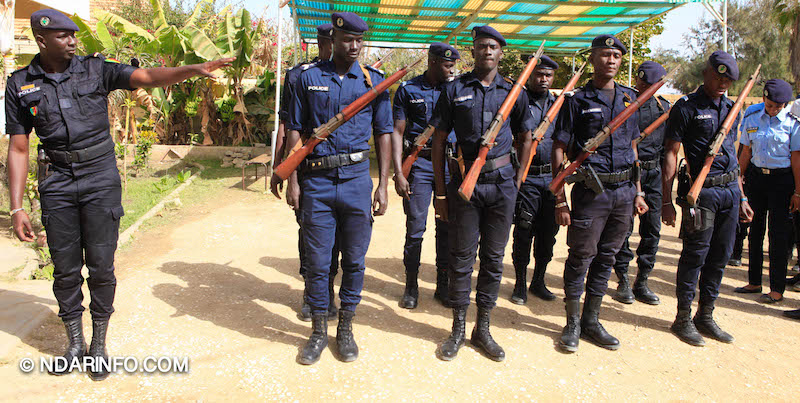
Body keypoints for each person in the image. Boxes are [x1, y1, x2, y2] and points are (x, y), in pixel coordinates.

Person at [5, 9, 233, 380]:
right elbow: (18, 148)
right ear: (41, 40)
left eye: (74, 35)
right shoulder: (20, 85)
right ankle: (74, 342)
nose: (73, 41)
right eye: (63, 36)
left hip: (99, 177)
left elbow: (147, 76)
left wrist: (192, 69)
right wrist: (17, 208)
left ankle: (98, 343)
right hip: (57, 181)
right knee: (64, 269)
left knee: (100, 265)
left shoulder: (96, 70)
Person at [282, 12, 392, 365]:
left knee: (356, 260)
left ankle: (345, 327)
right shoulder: (307, 78)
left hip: (358, 180)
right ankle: (317, 331)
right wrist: (293, 180)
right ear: (335, 40)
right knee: (316, 262)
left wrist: (383, 185)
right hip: (316, 182)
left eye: (361, 40)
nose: (355, 46)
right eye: (348, 40)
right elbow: (295, 132)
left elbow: (384, 134)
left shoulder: (374, 82)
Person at [430, 25, 533, 362]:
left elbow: (526, 137)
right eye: (481, 46)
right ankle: (458, 327)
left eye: (493, 46)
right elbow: (440, 140)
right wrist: (442, 194)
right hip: (466, 186)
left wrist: (517, 181)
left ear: (501, 52)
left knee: (493, 259)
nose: (487, 51)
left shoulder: (515, 91)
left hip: (502, 184)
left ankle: (483, 328)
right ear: (473, 51)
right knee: (461, 258)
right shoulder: (454, 89)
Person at [551, 34, 649, 353]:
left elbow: (633, 148)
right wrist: (560, 199)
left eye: (616, 56)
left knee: (607, 257)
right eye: (605, 55)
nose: (611, 60)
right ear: (593, 59)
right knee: (581, 256)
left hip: (623, 192)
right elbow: (559, 148)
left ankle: (592, 321)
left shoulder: (629, 100)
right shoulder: (576, 100)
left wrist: (638, 192)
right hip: (591, 193)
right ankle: (572, 323)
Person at [662, 50, 754, 347]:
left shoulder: (733, 108)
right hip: (700, 194)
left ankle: (706, 315)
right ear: (706, 73)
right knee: (695, 256)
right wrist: (666, 200)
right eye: (718, 76)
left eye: (728, 79)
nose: (723, 83)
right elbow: (671, 153)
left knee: (721, 256)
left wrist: (741, 197)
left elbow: (733, 155)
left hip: (729, 191)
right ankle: (683, 318)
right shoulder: (686, 107)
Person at [271, 23, 340, 322]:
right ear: (323, 44)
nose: (333, 49)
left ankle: (328, 289)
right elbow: (287, 127)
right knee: (309, 233)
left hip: (339, 170)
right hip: (308, 169)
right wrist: (286, 176)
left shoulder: (351, 76)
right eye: (329, 43)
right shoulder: (299, 75)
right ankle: (311, 288)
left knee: (337, 235)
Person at [391, 42, 459, 309]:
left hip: (449, 166)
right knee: (415, 228)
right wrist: (398, 173)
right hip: (419, 164)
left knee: (446, 227)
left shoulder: (457, 90)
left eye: (453, 64)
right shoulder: (409, 90)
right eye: (447, 64)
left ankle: (442, 286)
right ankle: (411, 286)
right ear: (432, 62)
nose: (452, 69)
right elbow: (397, 132)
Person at [733, 79, 800, 303]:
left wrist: (798, 191)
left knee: (778, 235)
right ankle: (754, 282)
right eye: (769, 105)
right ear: (763, 99)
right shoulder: (752, 116)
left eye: (777, 107)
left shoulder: (793, 122)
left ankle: (776, 289)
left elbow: (796, 158)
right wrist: (738, 178)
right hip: (756, 179)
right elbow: (745, 152)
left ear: (785, 104)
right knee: (755, 230)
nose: (772, 110)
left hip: (782, 181)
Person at [612, 61, 671, 306]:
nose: (642, 86)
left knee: (652, 229)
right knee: (624, 228)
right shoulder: (625, 104)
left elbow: (669, 147)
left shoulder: (665, 108)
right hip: (628, 172)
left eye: (648, 84)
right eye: (640, 82)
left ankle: (642, 281)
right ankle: (623, 279)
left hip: (653, 173)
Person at [509, 54, 560, 304]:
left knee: (548, 233)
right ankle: (519, 282)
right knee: (524, 231)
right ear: (530, 74)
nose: (543, 79)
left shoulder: (559, 104)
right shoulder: (518, 100)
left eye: (548, 75)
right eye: (539, 74)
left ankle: (538, 280)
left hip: (551, 178)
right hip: (526, 177)